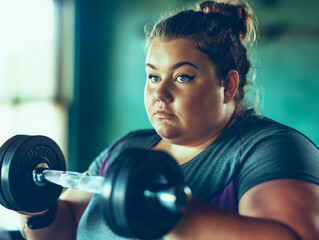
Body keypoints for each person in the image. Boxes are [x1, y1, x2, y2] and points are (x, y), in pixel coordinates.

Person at [18, 0, 319, 239]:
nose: (160, 93)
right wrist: (31, 202)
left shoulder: (269, 148)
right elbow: (65, 227)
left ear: (228, 85)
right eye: (153, 76)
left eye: (183, 77)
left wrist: (170, 213)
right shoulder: (130, 146)